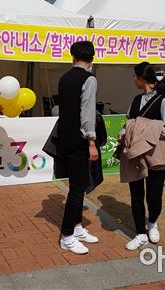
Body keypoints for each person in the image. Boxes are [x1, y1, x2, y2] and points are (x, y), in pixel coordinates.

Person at [120, 62, 165, 251]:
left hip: (156, 154)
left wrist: (139, 129)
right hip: (135, 154)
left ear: (141, 78)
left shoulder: (164, 100)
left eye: (134, 76)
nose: (133, 80)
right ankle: (140, 233)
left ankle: (152, 222)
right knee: (136, 195)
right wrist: (124, 131)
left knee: (154, 196)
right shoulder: (136, 100)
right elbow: (128, 121)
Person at [55, 41, 100, 255]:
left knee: (78, 185)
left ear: (73, 56)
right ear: (92, 58)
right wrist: (92, 141)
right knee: (76, 189)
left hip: (65, 139)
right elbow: (87, 112)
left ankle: (78, 227)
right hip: (80, 141)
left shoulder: (64, 78)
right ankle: (67, 235)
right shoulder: (89, 79)